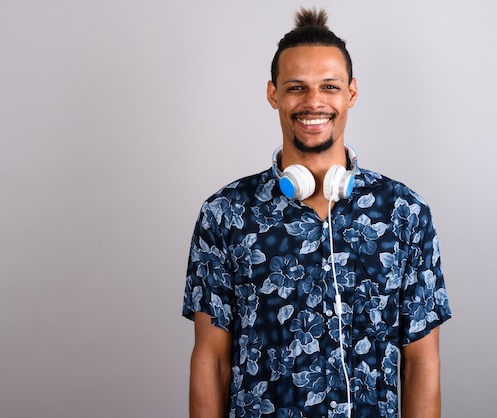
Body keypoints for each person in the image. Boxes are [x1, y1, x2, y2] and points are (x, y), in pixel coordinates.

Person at [182, 7, 451, 418]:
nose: (313, 102)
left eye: (329, 86)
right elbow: (211, 360)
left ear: (351, 93)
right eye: (296, 88)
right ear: (273, 93)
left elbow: (420, 362)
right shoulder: (225, 214)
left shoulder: (404, 213)